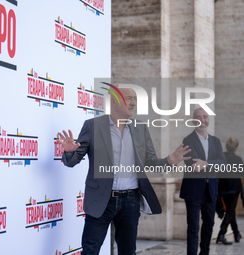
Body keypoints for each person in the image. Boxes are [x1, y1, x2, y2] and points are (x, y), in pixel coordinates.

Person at [58, 85, 191, 255]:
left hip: (130, 201)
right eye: (129, 98)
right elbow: (72, 161)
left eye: (135, 98)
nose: (134, 103)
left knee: (128, 251)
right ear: (113, 101)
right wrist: (69, 152)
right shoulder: (92, 126)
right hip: (100, 200)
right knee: (90, 250)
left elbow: (150, 161)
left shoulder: (140, 128)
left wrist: (169, 161)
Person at [180, 108, 227, 255]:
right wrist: (213, 164)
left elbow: (223, 163)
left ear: (208, 119)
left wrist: (206, 163)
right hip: (193, 191)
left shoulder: (216, 141)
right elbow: (194, 165)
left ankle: (204, 253)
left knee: (209, 225)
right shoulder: (188, 140)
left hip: (211, 190)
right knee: (193, 228)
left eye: (205, 116)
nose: (202, 119)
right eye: (198, 117)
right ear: (193, 120)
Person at [216, 137, 244, 244]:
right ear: (236, 148)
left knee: (230, 211)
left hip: (222, 188)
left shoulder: (221, 157)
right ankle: (221, 234)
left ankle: (236, 234)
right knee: (230, 211)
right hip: (233, 189)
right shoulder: (237, 159)